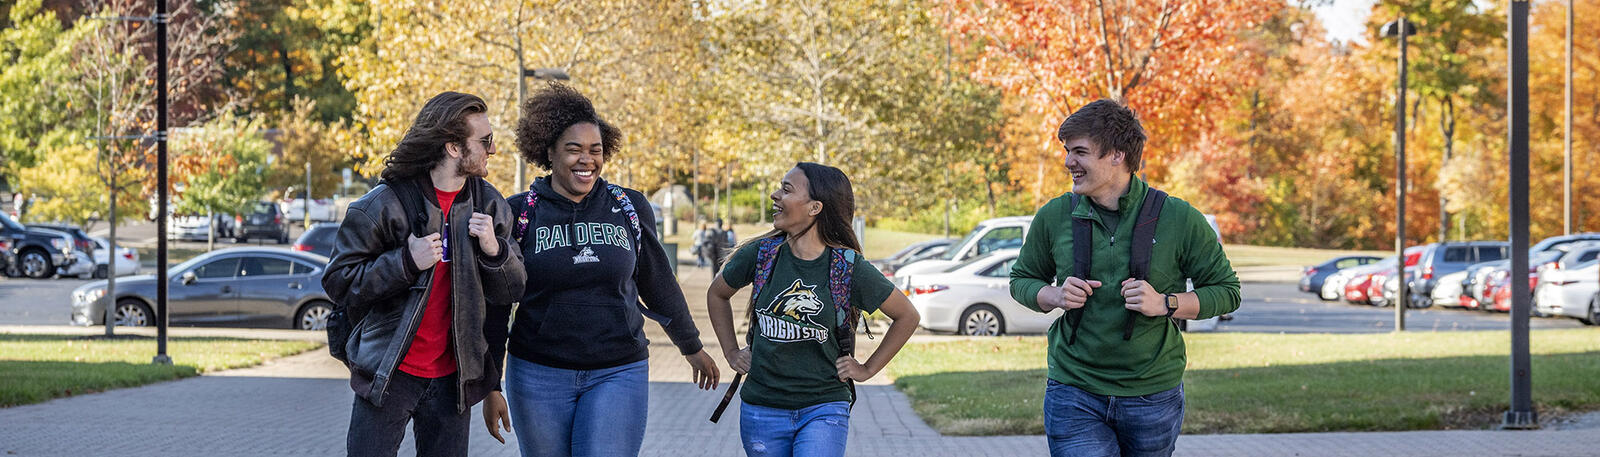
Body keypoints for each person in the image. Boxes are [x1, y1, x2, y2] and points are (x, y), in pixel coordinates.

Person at [492, 83, 719, 457]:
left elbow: (657, 281)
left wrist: (690, 345)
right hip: (537, 374)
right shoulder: (519, 212)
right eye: (574, 149)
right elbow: (498, 300)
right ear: (549, 151)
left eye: (595, 150)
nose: (587, 160)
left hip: (618, 370)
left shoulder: (628, 206)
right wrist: (489, 383)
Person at [1009, 99, 1240, 457]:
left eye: (1080, 152)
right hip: (1074, 389)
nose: (1069, 161)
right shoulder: (1054, 215)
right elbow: (1022, 279)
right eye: (1068, 151)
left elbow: (1227, 292)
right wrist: (1053, 296)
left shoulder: (1179, 217)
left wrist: (1165, 303)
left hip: (1153, 394)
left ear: (1117, 155)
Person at [322, 91, 527, 457]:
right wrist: (404, 262)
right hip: (389, 373)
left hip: (453, 380)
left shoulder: (490, 205)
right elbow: (339, 280)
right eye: (485, 141)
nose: (492, 150)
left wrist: (495, 251)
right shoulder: (383, 205)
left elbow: (513, 290)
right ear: (452, 146)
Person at [706, 162, 920, 457]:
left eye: (786, 189)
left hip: (824, 407)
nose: (774, 195)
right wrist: (731, 352)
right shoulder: (762, 254)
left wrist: (868, 369)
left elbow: (907, 315)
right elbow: (717, 294)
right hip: (762, 409)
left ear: (815, 207)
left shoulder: (847, 266)